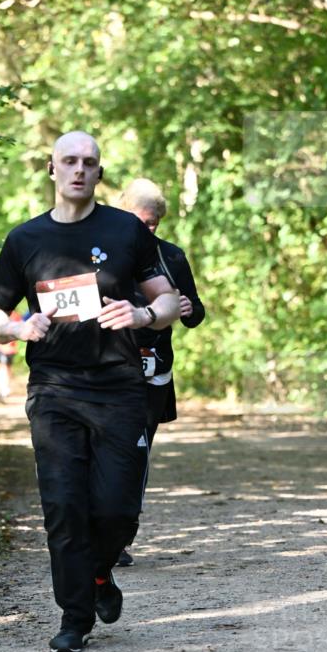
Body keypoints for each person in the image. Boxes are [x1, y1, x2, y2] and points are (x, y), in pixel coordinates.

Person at [0, 131, 180, 652]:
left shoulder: (127, 231)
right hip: (54, 389)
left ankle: (97, 574)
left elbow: (168, 300)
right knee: (64, 506)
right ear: (51, 169)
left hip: (119, 388)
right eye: (69, 161)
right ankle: (74, 617)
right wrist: (18, 329)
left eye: (89, 162)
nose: (78, 170)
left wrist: (142, 314)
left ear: (99, 172)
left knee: (116, 511)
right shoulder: (25, 239)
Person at [116, 178, 206, 567]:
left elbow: (195, 313)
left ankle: (120, 537)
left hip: (154, 370)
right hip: (108, 366)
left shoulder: (171, 256)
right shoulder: (102, 251)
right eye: (141, 221)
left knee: (137, 454)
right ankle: (95, 529)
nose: (147, 230)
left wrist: (187, 309)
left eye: (154, 224)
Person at [0, 309, 22, 400]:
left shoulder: (16, 315)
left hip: (11, 349)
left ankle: (6, 386)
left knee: (8, 368)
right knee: (2, 366)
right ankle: (3, 388)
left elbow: (21, 330)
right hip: (0, 347)